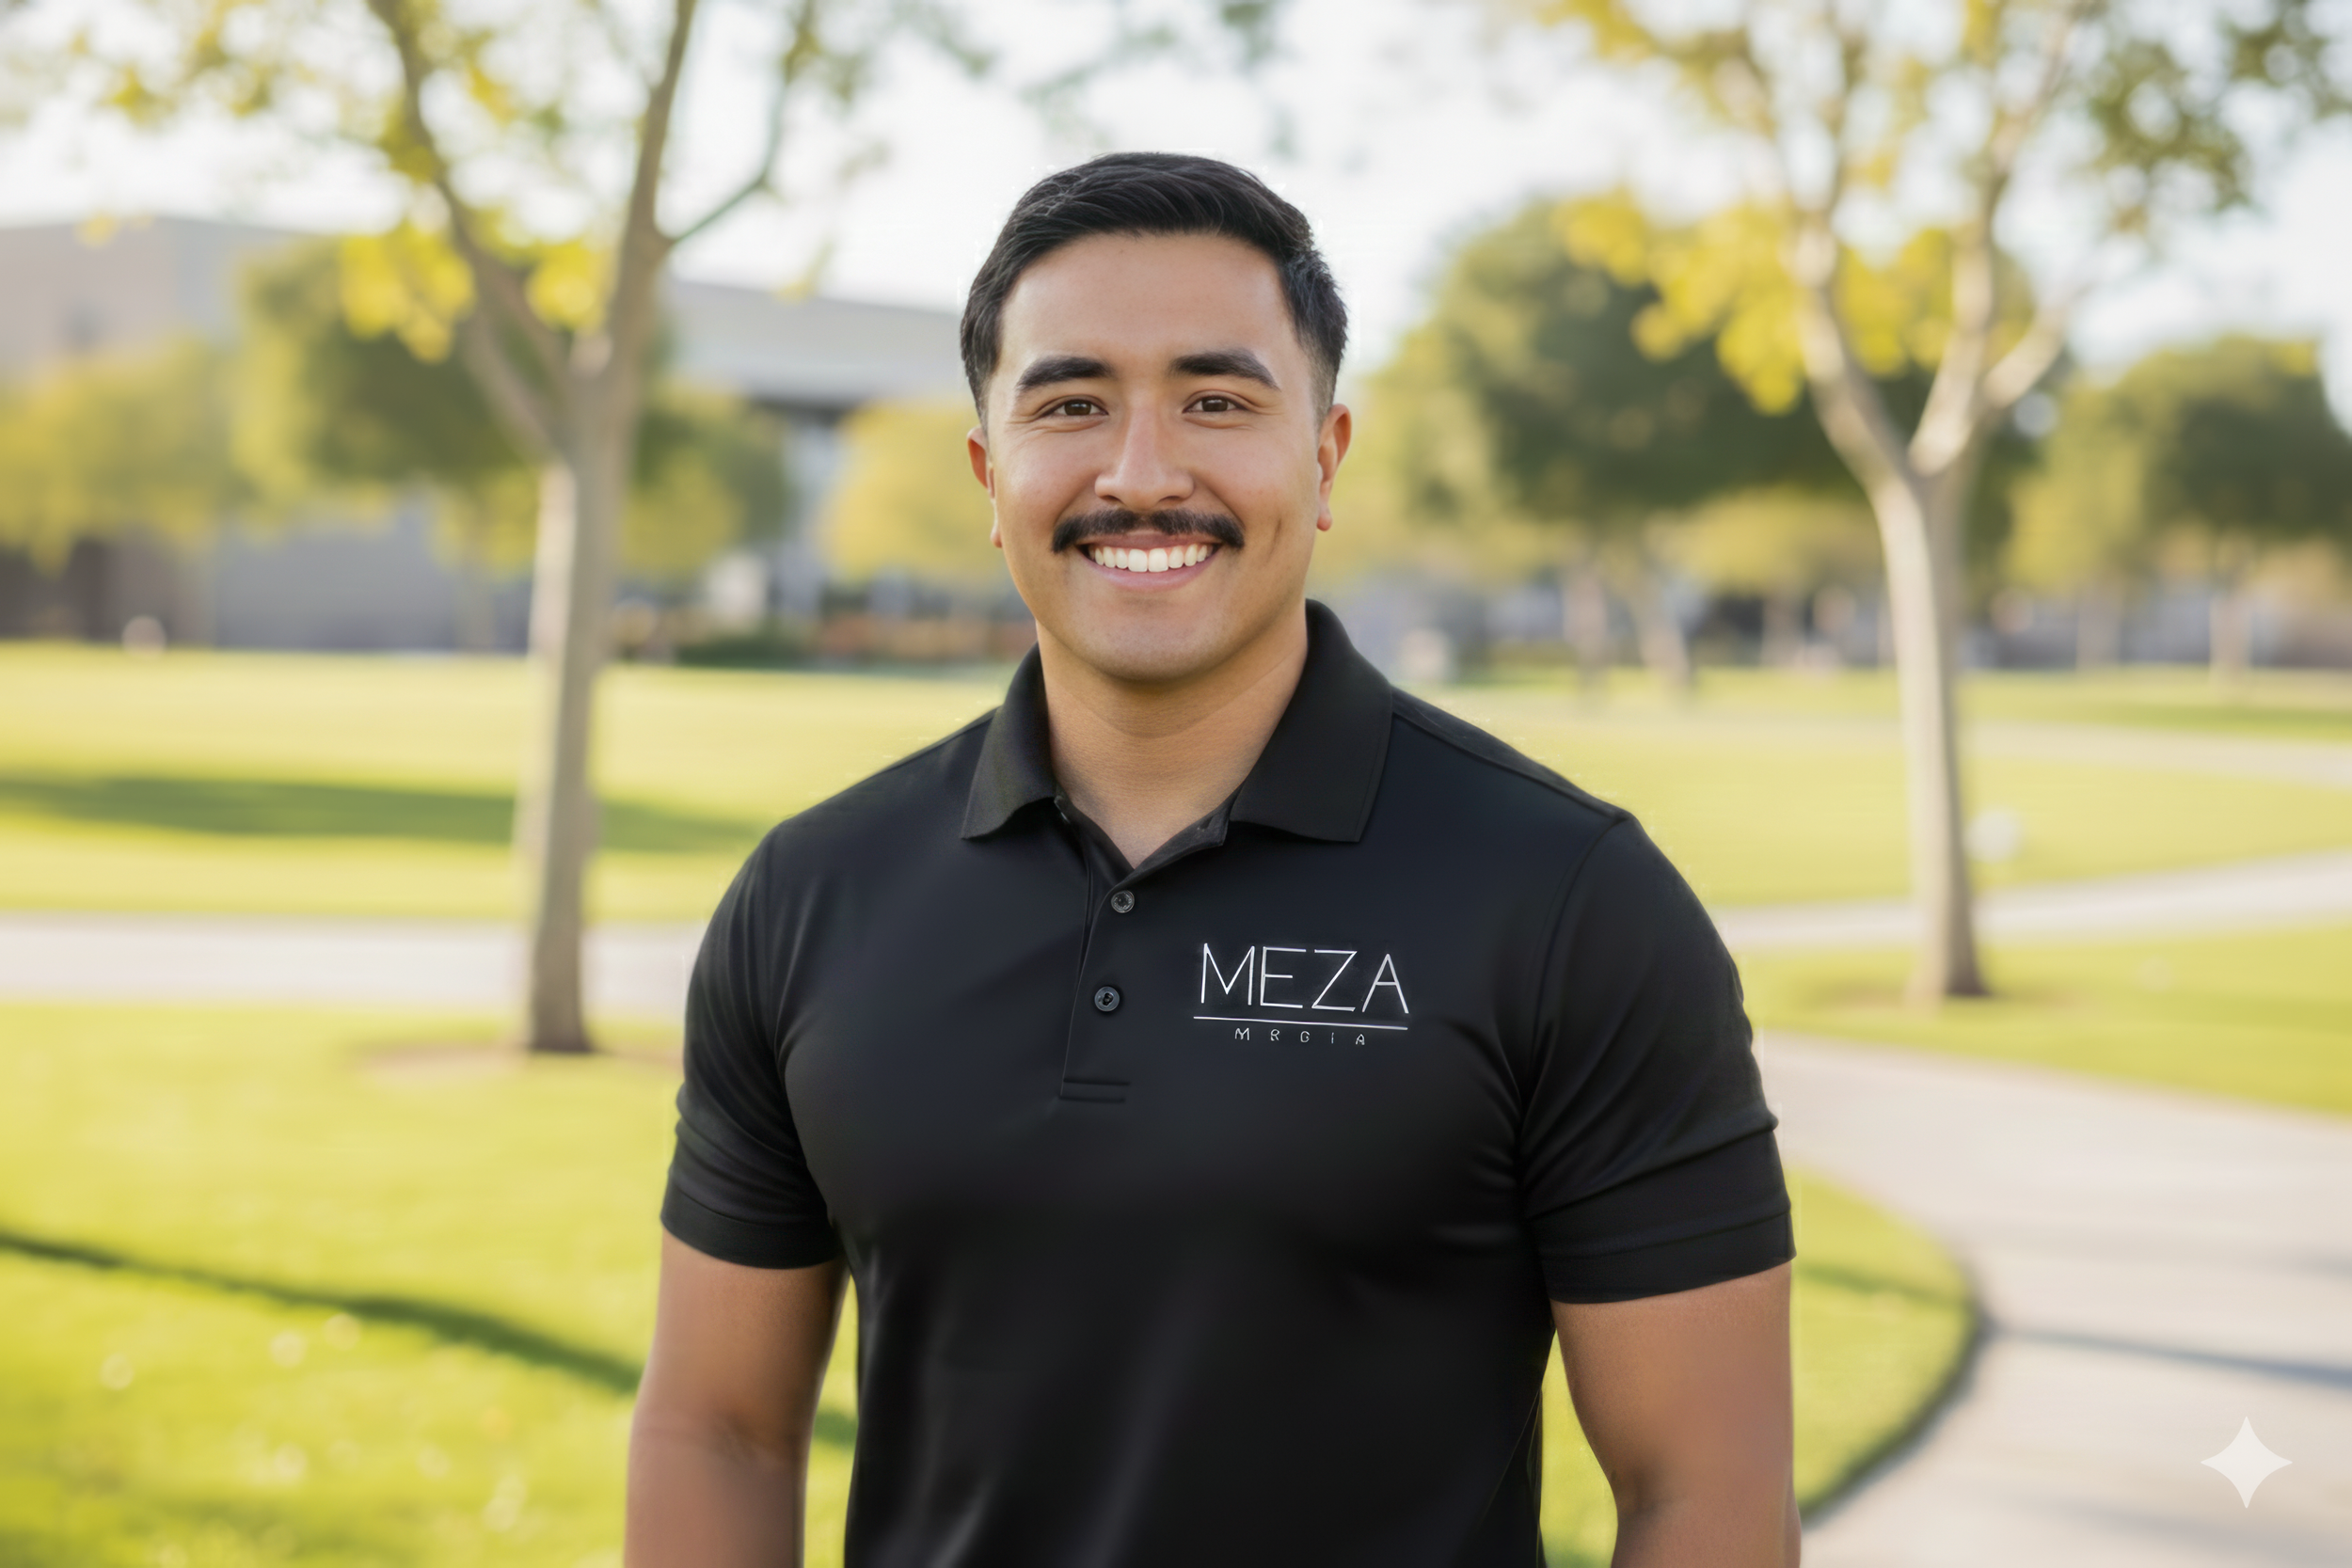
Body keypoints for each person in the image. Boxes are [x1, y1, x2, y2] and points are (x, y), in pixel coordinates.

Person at [626, 151, 1798, 1567]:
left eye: (1217, 401)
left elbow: (1705, 1492)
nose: (1141, 473)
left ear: (1326, 455)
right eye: (1071, 404)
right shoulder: (812, 895)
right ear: (991, 473)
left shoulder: (1568, 900)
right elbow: (718, 1431)